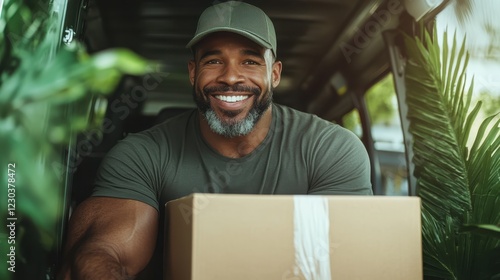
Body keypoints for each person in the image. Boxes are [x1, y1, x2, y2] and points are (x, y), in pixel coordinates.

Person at [59, 1, 372, 279]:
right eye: (213, 61)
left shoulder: (332, 150)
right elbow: (97, 255)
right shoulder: (141, 155)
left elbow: (348, 264)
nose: (231, 77)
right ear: (193, 73)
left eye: (250, 61)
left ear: (274, 74)